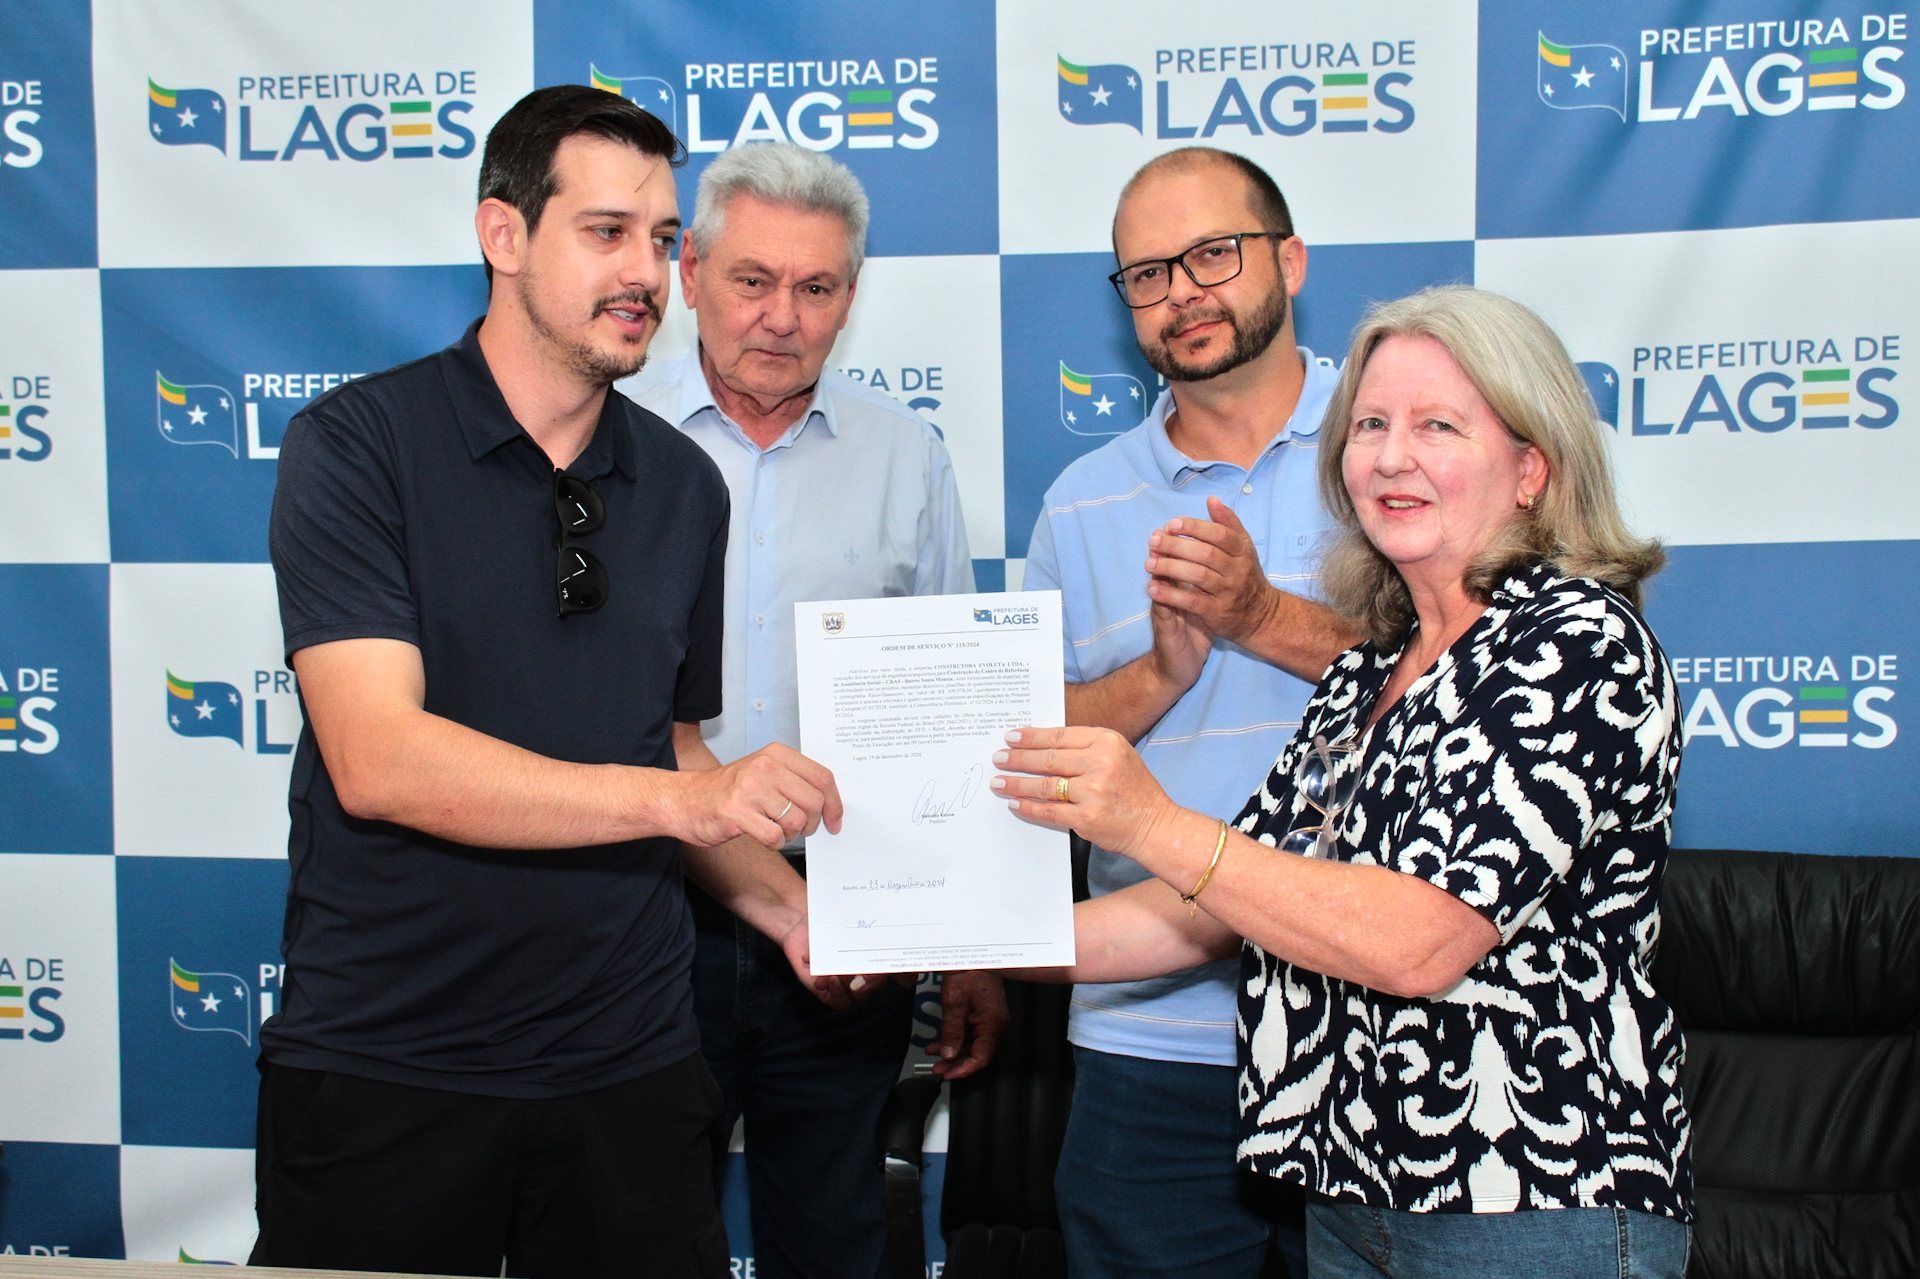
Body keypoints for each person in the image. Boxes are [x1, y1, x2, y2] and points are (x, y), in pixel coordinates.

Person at [256, 86, 843, 1279]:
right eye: (605, 231)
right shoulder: (358, 446)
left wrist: (795, 915)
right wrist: (682, 800)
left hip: (632, 1074)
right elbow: (378, 758)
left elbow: (671, 746)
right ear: (504, 234)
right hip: (388, 1069)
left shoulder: (685, 486)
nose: (644, 272)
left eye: (662, 238)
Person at [995, 285, 1693, 1278]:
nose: (1391, 456)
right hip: (1354, 1194)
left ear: (1532, 468)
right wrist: (938, 938)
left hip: (1534, 1198)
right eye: (1369, 425)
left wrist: (1149, 822)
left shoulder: (1577, 644)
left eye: (1438, 425)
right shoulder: (1372, 670)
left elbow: (1419, 939)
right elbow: (1216, 905)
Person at [627, 141, 1007, 1279]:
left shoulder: (907, 456)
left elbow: (957, 714)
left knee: (835, 1232)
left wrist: (970, 947)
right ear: (691, 273)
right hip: (639, 900)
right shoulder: (604, 439)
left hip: (849, 913)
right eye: (753, 279)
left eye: (817, 287)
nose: (783, 317)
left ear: (852, 295)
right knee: (634, 1229)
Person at [1019, 146, 1359, 1277]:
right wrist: (1158, 676)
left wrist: (1262, 615)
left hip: (1374, 1023)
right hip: (1148, 1037)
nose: (1184, 292)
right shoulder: (1080, 503)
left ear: (1290, 260)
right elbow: (1032, 746)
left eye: (1214, 253)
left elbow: (1479, 681)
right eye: (1149, 273)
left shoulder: (1395, 445)